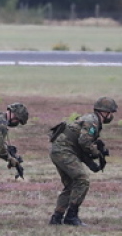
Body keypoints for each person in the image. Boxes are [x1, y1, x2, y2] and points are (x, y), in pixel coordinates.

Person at [47, 97, 116, 226]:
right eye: (111, 113)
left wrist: (93, 163)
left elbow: (81, 148)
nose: (112, 116)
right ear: (105, 112)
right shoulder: (92, 122)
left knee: (71, 185)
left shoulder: (90, 120)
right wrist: (97, 153)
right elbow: (84, 142)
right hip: (64, 151)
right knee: (82, 180)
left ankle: (57, 217)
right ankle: (71, 217)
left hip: (59, 151)